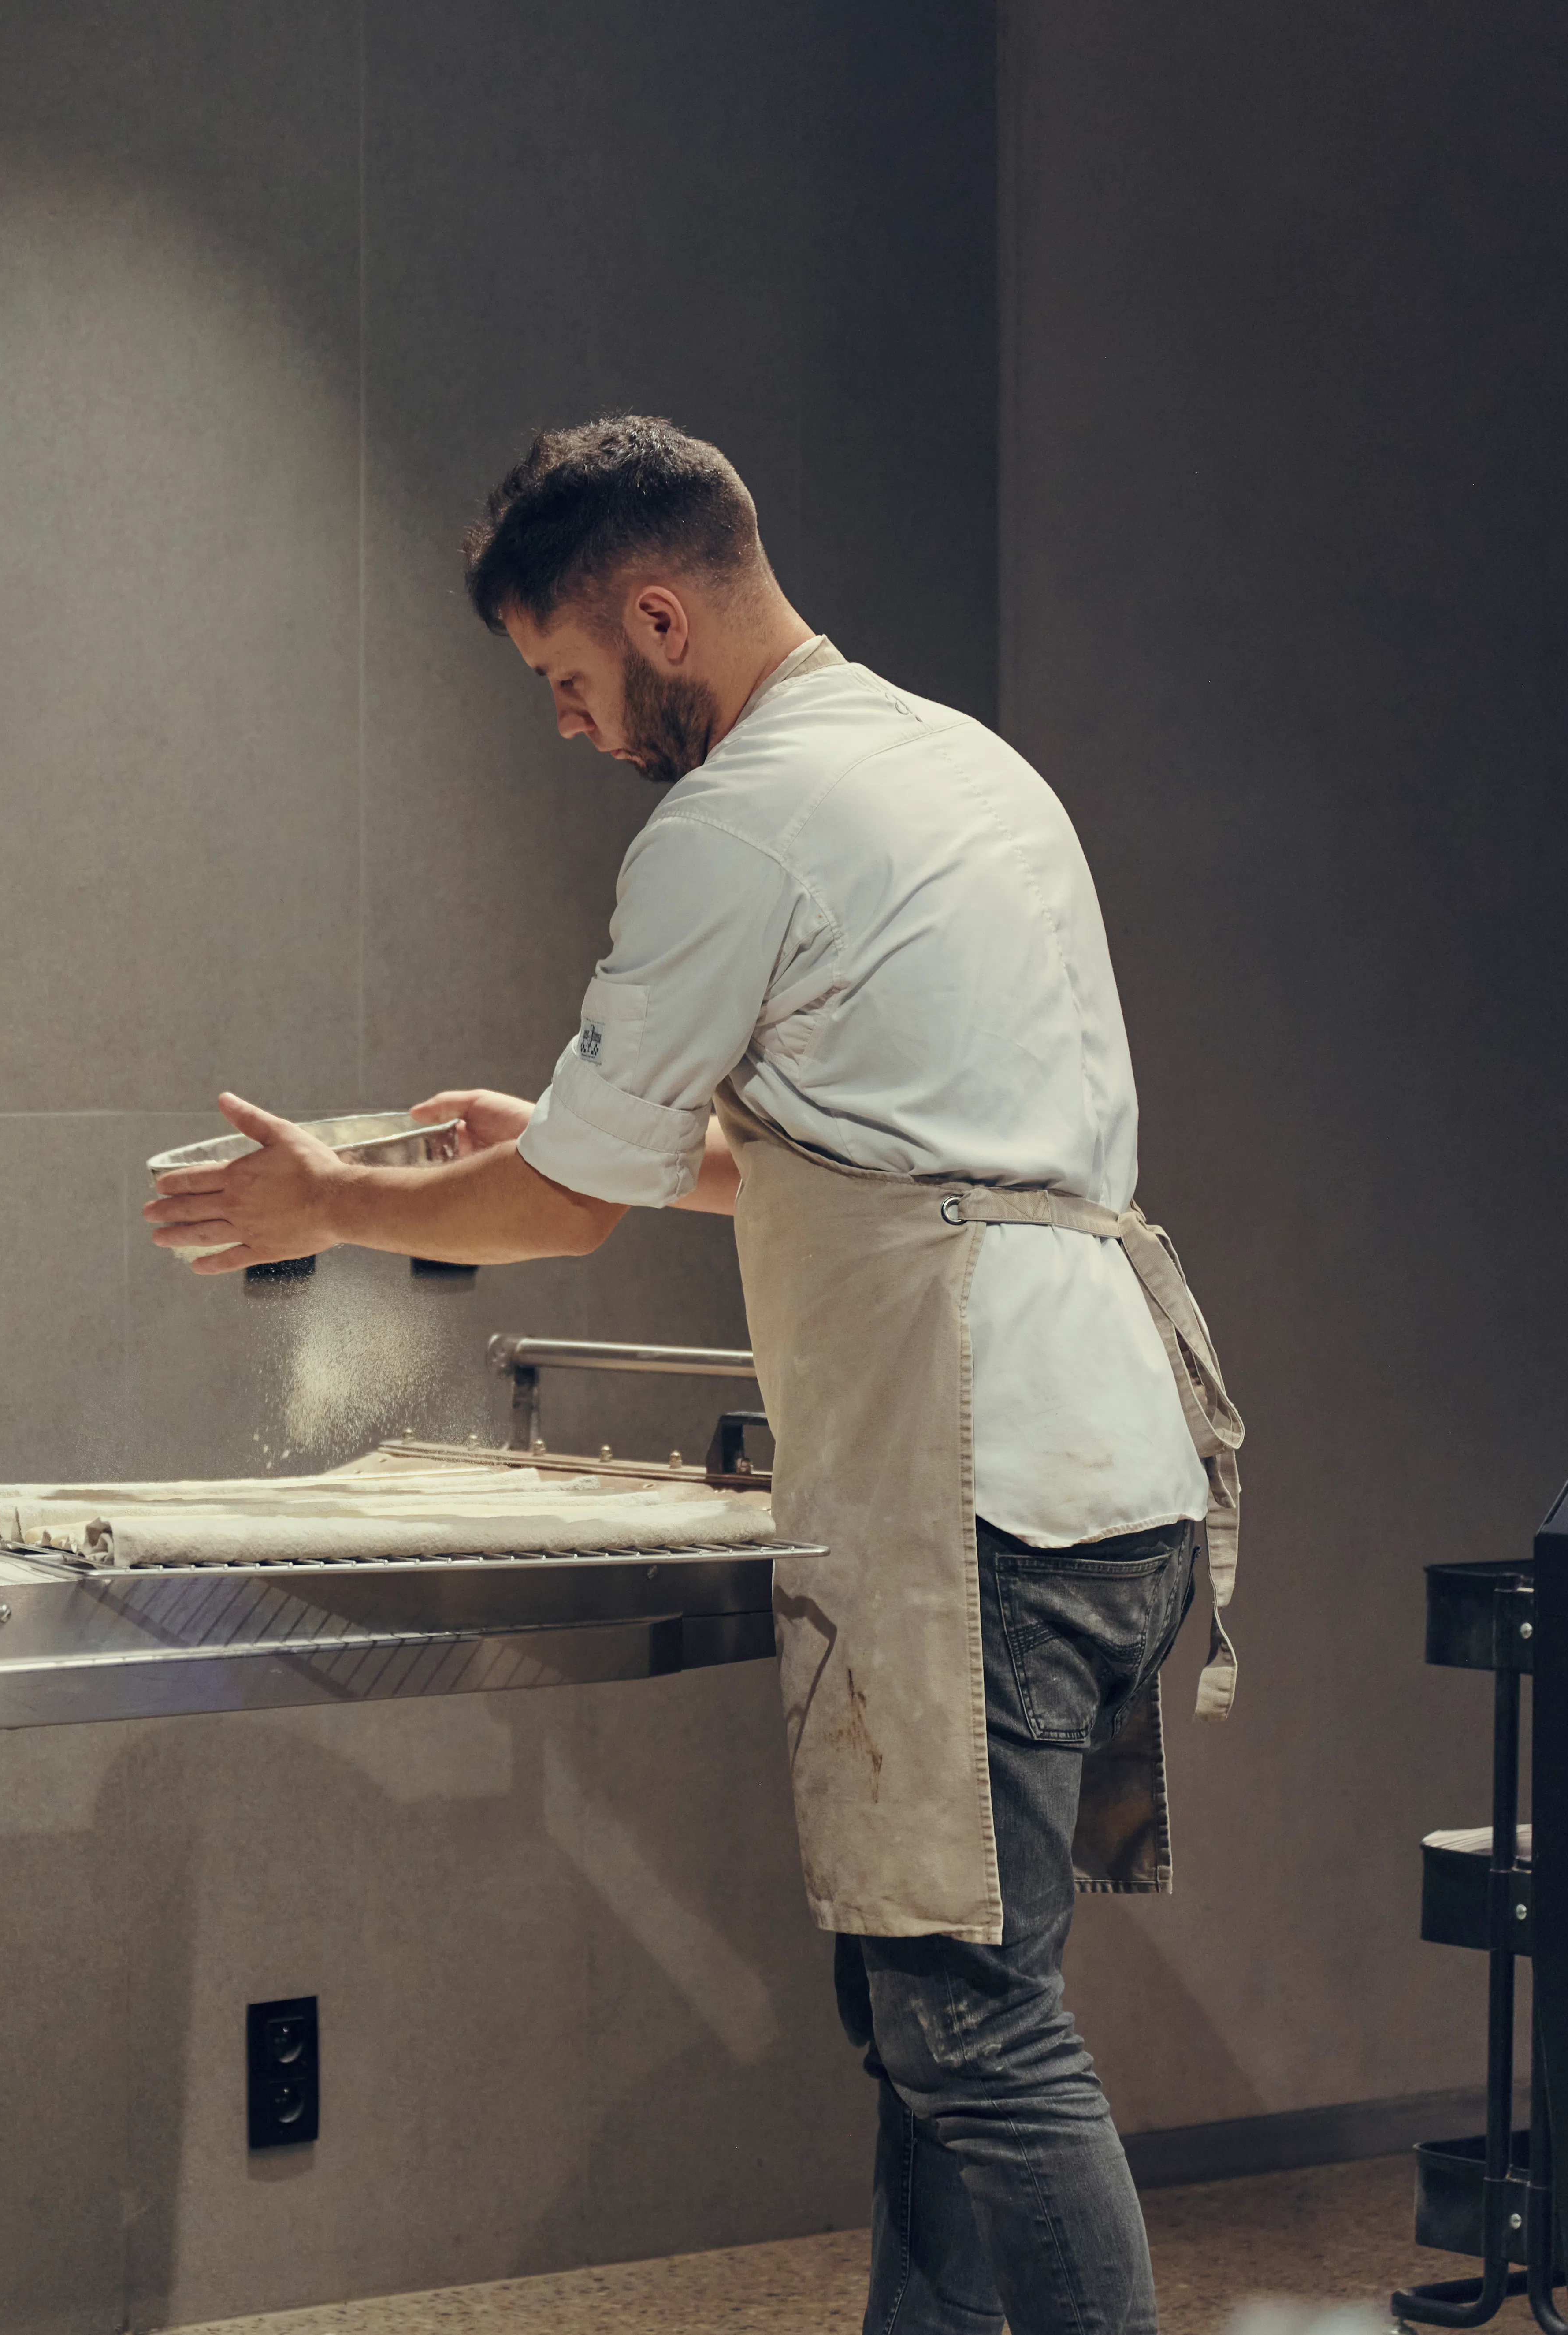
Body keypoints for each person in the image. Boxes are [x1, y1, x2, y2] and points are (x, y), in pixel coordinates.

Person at [144, 416, 1244, 2335]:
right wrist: (598, 1138)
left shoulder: (735, 822)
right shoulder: (963, 763)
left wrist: (333, 1199)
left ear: (660, 615)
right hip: (1112, 1463)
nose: (568, 722)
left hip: (976, 1481)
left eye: (565, 676)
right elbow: (892, 1147)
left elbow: (565, 1210)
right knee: (932, 2013)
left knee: (972, 2032)